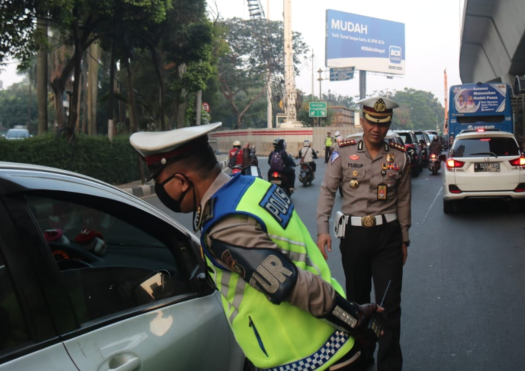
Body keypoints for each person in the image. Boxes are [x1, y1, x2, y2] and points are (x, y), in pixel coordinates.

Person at [130, 122, 384, 371]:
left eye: (160, 181)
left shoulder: (224, 228)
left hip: (308, 357)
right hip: (330, 340)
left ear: (181, 181)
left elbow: (289, 283)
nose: (160, 189)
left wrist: (353, 318)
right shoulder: (253, 188)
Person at [316, 97, 411, 371]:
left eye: (382, 124)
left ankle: (389, 365)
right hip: (354, 237)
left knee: (389, 306)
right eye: (371, 122)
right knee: (357, 304)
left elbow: (403, 199)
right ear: (362, 120)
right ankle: (361, 358)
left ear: (388, 124)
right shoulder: (343, 151)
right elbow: (326, 191)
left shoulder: (399, 155)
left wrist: (404, 237)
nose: (376, 129)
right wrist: (323, 230)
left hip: (388, 237)